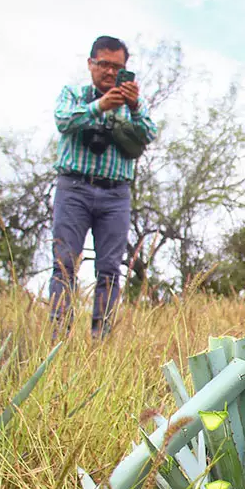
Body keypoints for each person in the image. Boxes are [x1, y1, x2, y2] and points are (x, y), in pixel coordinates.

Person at [50, 35, 157, 339]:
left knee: (110, 269)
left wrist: (133, 106)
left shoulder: (132, 104)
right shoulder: (74, 94)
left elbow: (150, 133)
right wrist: (98, 108)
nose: (110, 72)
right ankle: (58, 337)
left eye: (118, 67)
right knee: (64, 264)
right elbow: (62, 120)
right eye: (104, 65)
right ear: (91, 64)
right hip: (74, 187)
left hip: (116, 194)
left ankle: (102, 338)